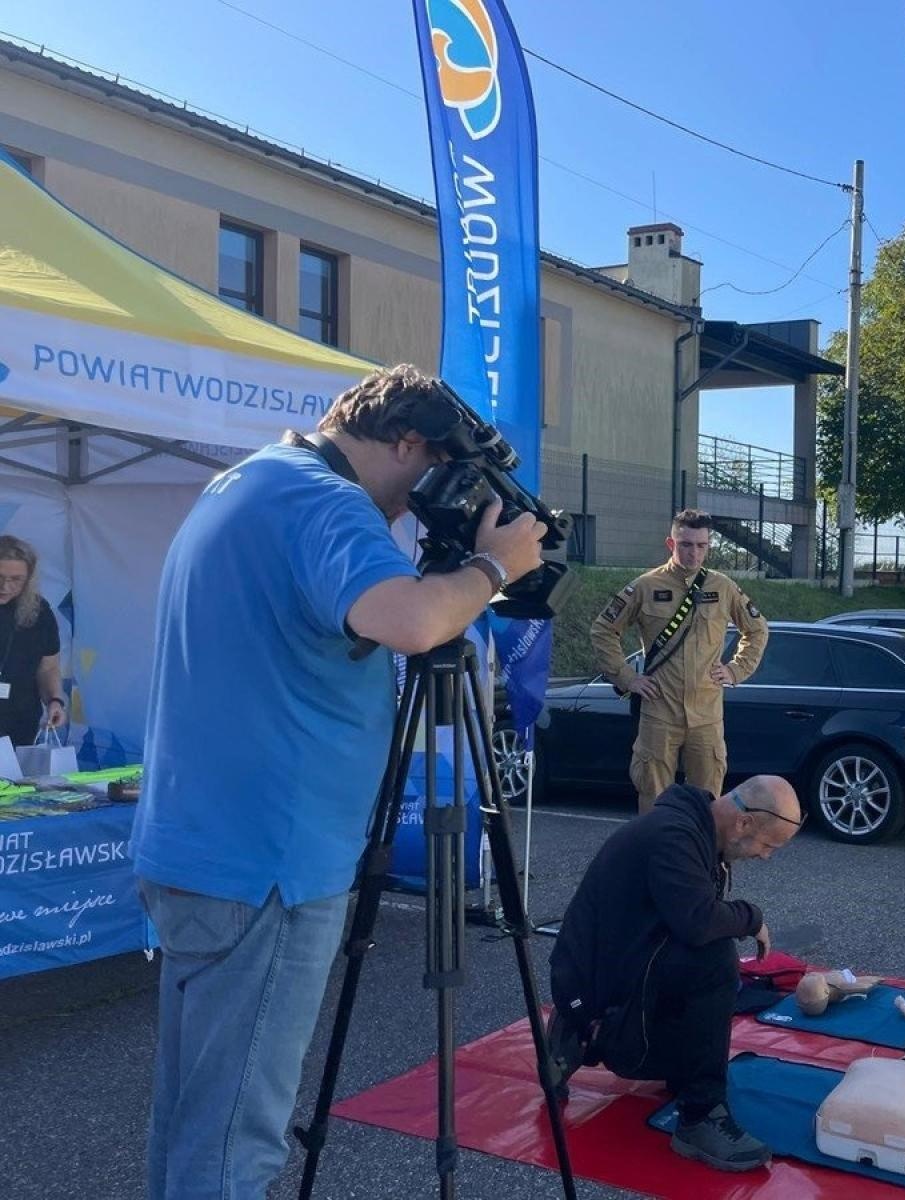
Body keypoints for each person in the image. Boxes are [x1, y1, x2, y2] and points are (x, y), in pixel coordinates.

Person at [131, 365, 547, 1199]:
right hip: (270, 866)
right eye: (440, 469)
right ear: (405, 444)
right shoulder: (324, 500)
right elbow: (415, 620)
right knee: (233, 1139)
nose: (433, 495)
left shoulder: (250, 479)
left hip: (200, 849)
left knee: (194, 1114)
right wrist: (493, 568)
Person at [547, 775, 803, 1171]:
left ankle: (586, 1035)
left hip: (614, 966)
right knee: (715, 959)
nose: (766, 857)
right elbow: (698, 922)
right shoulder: (673, 836)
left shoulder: (696, 828)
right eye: (769, 845)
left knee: (708, 959)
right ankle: (698, 1116)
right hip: (595, 988)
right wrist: (753, 918)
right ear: (744, 823)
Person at [591, 508, 768, 811]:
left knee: (707, 803)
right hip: (659, 711)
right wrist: (627, 677)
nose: (694, 554)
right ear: (671, 544)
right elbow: (603, 630)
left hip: (707, 714)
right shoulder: (645, 586)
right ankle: (656, 855)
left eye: (702, 546)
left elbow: (757, 629)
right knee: (653, 797)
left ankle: (701, 857)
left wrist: (735, 670)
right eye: (686, 544)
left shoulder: (722, 587)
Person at [0, 534, 68, 751]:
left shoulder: (39, 613)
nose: (5, 586)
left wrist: (54, 701)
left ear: (28, 579)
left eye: (15, 579)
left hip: (20, 721)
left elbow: (48, 668)